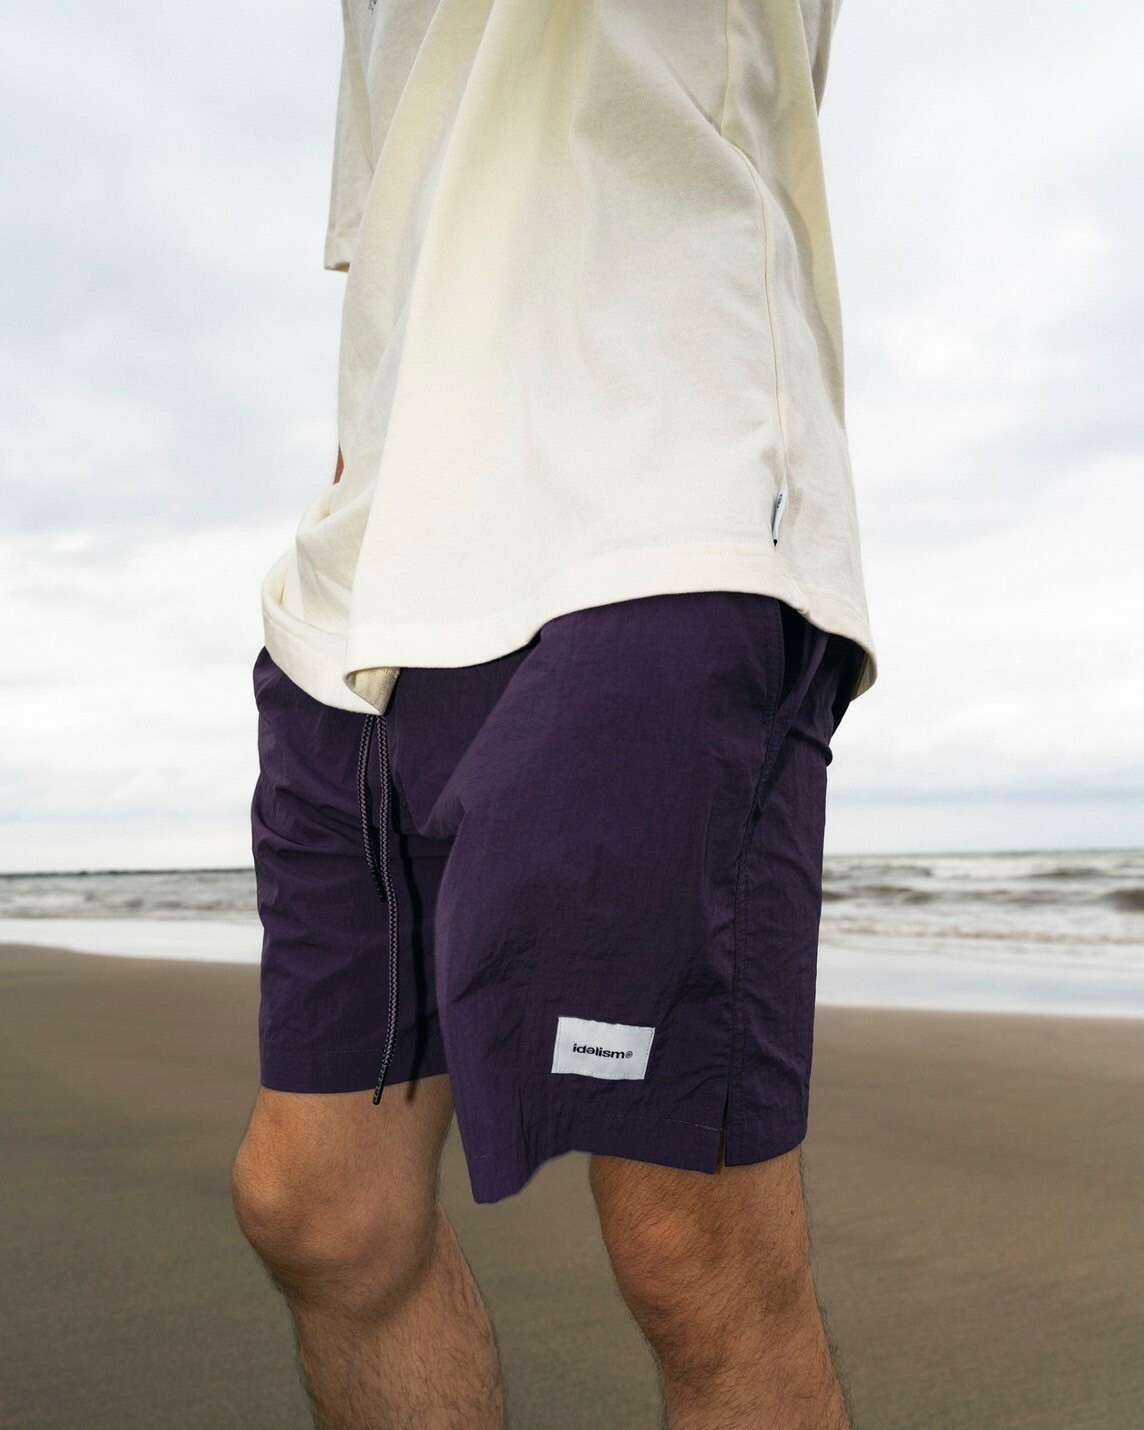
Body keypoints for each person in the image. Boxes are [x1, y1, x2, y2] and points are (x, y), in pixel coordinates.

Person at [230, 1, 876, 1425]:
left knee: (691, 1249)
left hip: (649, 500)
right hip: (371, 579)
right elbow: (407, 225)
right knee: (319, 1208)